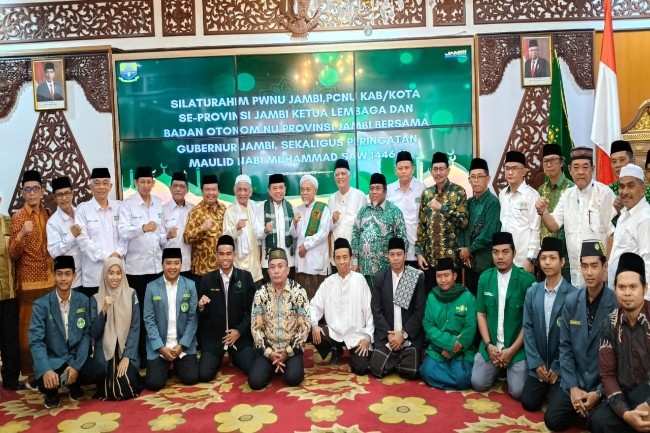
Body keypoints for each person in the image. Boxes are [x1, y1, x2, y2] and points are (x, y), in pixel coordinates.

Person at [549, 240, 617, 432]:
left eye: (594, 266)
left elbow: (619, 356)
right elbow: (565, 347)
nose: (589, 272)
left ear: (604, 267)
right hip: (576, 379)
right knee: (552, 420)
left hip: (602, 383)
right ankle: (580, 404)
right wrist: (572, 387)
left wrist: (599, 392)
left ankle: (589, 408)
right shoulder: (572, 301)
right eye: (585, 266)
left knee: (598, 424)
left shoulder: (616, 304)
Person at [28, 256, 104, 408]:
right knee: (45, 380)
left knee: (100, 370)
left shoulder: (83, 300)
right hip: (53, 360)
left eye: (68, 274)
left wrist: (76, 365)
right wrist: (46, 369)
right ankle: (51, 393)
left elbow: (86, 335)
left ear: (74, 276)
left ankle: (74, 383)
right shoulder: (41, 305)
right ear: (54, 276)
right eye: (59, 274)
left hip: (74, 357)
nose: (63, 278)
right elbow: (36, 341)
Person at [537, 147, 616, 288]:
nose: (580, 172)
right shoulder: (567, 195)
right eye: (576, 167)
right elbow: (553, 225)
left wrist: (606, 268)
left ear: (592, 169)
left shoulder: (604, 193)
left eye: (585, 167)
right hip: (576, 274)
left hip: (600, 274)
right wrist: (543, 212)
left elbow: (612, 234)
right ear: (570, 169)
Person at [588, 252, 650, 433]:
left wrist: (648, 404)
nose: (627, 293)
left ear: (645, 288)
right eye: (622, 287)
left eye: (633, 287)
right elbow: (607, 375)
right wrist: (626, 414)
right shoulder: (610, 323)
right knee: (597, 421)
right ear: (614, 288)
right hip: (627, 395)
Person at [471, 232, 536, 400]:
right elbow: (481, 314)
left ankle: (507, 368)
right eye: (496, 252)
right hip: (491, 347)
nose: (500, 257)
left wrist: (512, 351)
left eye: (505, 252)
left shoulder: (527, 281)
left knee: (518, 391)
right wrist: (488, 345)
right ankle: (499, 368)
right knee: (478, 383)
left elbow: (529, 323)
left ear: (514, 253)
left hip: (516, 349)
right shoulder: (485, 278)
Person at [521, 237, 577, 412]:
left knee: (555, 407)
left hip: (560, 366)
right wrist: (536, 362)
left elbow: (574, 337)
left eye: (552, 258)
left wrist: (557, 366)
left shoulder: (574, 295)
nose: (547, 262)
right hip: (538, 364)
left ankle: (555, 383)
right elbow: (527, 328)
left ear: (562, 261)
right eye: (543, 258)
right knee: (528, 403)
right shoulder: (532, 292)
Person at [9, 169, 54, 381]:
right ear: (23, 193)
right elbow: (12, 254)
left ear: (42, 191)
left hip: (50, 281)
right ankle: (30, 375)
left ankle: (50, 370)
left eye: (36, 188)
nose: (32, 193)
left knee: (50, 329)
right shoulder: (18, 217)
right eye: (28, 189)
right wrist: (21, 234)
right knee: (29, 333)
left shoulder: (47, 214)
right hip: (28, 284)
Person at [119, 166, 166, 364]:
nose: (146, 185)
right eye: (142, 182)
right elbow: (122, 232)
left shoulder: (158, 203)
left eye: (149, 182)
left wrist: (167, 236)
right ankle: (140, 356)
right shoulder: (127, 205)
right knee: (138, 315)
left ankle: (157, 353)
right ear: (136, 182)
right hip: (137, 271)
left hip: (157, 268)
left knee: (157, 313)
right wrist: (142, 228)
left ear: (153, 183)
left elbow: (160, 232)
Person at [249, 248, 311, 390]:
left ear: (287, 270)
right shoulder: (261, 293)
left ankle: (282, 366)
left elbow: (305, 326)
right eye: (272, 267)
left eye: (280, 266)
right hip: (268, 349)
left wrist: (288, 351)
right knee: (255, 382)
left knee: (293, 378)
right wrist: (270, 353)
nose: (276, 271)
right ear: (268, 271)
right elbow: (255, 328)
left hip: (291, 349)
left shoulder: (298, 291)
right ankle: (273, 365)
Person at [310, 238, 373, 374]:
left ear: (351, 258)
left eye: (345, 257)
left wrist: (367, 337)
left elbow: (369, 311)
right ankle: (336, 349)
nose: (342, 261)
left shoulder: (360, 280)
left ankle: (352, 351)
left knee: (361, 368)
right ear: (334, 260)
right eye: (338, 258)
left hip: (356, 334)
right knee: (312, 330)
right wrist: (314, 325)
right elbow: (313, 306)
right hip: (334, 333)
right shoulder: (328, 282)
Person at [197, 235, 256, 382]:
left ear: (234, 255)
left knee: (252, 369)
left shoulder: (245, 277)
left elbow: (253, 311)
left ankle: (235, 356)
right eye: (221, 254)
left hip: (239, 338)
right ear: (216, 255)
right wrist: (201, 308)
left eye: (228, 254)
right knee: (204, 375)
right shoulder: (207, 280)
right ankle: (218, 357)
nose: (225, 258)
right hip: (214, 339)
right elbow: (202, 317)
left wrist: (239, 331)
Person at [369, 237, 426, 380]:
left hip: (408, 335)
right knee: (376, 369)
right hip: (387, 335)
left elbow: (419, 311)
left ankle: (395, 359)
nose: (395, 258)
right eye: (392, 254)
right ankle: (398, 358)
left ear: (405, 256)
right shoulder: (380, 277)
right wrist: (389, 335)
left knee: (412, 372)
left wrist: (403, 335)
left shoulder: (414, 276)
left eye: (399, 254)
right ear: (387, 256)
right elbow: (376, 309)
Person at [142, 248, 199, 390]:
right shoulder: (151, 287)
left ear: (181, 264)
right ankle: (165, 365)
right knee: (154, 384)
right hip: (160, 345)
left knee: (191, 378)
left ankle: (178, 365)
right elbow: (149, 320)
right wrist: (161, 347)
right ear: (162, 264)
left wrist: (182, 345)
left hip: (182, 345)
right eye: (168, 263)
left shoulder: (190, 286)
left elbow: (193, 319)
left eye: (176, 263)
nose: (172, 267)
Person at [90, 257, 143, 400]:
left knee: (124, 386)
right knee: (110, 388)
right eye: (111, 273)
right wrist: (104, 309)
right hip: (105, 353)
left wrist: (127, 356)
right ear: (105, 274)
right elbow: (94, 332)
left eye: (119, 273)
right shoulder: (95, 299)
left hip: (125, 349)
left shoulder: (131, 294)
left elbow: (135, 327)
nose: (115, 277)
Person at [420, 257, 477, 390]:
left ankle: (445, 380)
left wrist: (453, 350)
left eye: (446, 275)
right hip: (437, 349)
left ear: (454, 276)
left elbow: (471, 327)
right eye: (439, 276)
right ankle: (452, 381)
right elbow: (428, 326)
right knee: (426, 372)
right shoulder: (432, 297)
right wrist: (449, 343)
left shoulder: (467, 297)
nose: (443, 280)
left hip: (461, 350)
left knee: (462, 378)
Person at [415, 152, 469, 290]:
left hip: (452, 261)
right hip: (430, 261)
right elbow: (422, 225)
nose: (438, 173)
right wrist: (419, 252)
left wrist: (443, 208)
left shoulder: (459, 192)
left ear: (448, 170)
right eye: (435, 169)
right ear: (431, 171)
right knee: (432, 298)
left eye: (441, 169)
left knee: (452, 299)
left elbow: (463, 222)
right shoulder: (427, 194)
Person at [76, 167, 125, 297]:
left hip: (118, 274)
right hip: (94, 276)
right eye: (97, 183)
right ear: (91, 187)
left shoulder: (120, 207)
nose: (101, 187)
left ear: (110, 186)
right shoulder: (83, 210)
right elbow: (83, 242)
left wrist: (118, 253)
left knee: (120, 309)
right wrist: (108, 257)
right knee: (97, 309)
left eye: (105, 183)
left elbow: (125, 236)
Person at [351, 173, 408, 287]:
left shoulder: (394, 212)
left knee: (385, 298)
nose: (374, 192)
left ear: (385, 192)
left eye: (378, 188)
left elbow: (403, 240)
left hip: (385, 270)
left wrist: (397, 264)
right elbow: (355, 235)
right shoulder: (363, 211)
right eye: (371, 188)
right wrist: (355, 261)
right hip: (364, 269)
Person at [459, 157, 501, 296]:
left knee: (486, 302)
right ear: (469, 180)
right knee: (471, 302)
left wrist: (469, 249)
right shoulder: (470, 202)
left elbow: (489, 234)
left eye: (480, 176)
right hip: (470, 264)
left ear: (488, 179)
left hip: (485, 265)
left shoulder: (492, 203)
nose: (476, 180)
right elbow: (463, 228)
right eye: (473, 177)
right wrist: (463, 251)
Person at [607, 164, 650, 295]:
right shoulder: (625, 214)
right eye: (621, 186)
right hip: (620, 294)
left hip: (635, 297)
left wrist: (645, 302)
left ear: (642, 189)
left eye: (631, 186)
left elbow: (648, 263)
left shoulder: (645, 218)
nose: (624, 192)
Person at [499, 150, 541, 273]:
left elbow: (535, 229)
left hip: (523, 260)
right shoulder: (502, 194)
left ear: (524, 171)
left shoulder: (531, 195)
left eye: (514, 168)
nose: (510, 172)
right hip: (505, 260)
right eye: (507, 168)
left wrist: (530, 259)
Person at [537, 144, 573, 281]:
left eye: (553, 160)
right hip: (544, 257)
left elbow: (570, 224)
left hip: (564, 258)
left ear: (562, 162)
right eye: (546, 161)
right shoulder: (541, 190)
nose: (549, 165)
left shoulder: (571, 189)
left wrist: (559, 250)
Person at [183, 174, 226, 286]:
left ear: (218, 191)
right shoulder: (196, 212)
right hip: (202, 271)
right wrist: (201, 228)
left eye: (214, 189)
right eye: (207, 189)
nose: (211, 193)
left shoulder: (224, 209)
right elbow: (187, 237)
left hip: (222, 270)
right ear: (202, 191)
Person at [293, 174, 331, 299]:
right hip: (301, 263)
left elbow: (323, 233)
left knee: (318, 300)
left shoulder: (323, 209)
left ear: (315, 191)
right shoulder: (297, 209)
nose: (304, 193)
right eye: (302, 189)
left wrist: (306, 245)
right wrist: (294, 222)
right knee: (302, 300)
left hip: (316, 262)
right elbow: (293, 234)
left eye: (308, 189)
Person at [222, 174, 264, 287]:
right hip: (239, 265)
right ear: (235, 192)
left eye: (245, 190)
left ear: (250, 192)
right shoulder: (230, 211)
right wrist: (236, 228)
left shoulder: (255, 208)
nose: (242, 193)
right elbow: (225, 238)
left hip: (256, 266)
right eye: (239, 189)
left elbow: (260, 233)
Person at [387, 151, 426, 268]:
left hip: (416, 252)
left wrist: (421, 250)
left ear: (413, 169)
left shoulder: (422, 189)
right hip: (395, 253)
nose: (403, 171)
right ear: (395, 170)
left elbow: (426, 221)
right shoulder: (389, 191)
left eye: (406, 168)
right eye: (400, 168)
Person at [328, 159, 367, 274]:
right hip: (337, 258)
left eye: (343, 173)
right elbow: (328, 229)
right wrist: (332, 220)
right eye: (337, 174)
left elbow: (364, 230)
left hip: (354, 259)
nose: (340, 177)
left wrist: (356, 260)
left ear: (349, 176)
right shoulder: (331, 199)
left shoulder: (360, 196)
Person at [259, 174, 298, 282]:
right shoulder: (262, 208)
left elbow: (295, 235)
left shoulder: (292, 208)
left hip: (288, 262)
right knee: (269, 291)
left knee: (288, 291)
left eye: (281, 188)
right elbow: (257, 234)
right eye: (275, 188)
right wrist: (265, 230)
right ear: (269, 190)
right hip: (268, 262)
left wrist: (295, 223)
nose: (278, 191)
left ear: (285, 189)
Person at [46, 176, 83, 291]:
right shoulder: (52, 223)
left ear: (72, 194)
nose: (64, 198)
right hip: (72, 282)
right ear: (54, 197)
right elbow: (54, 252)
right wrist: (71, 236)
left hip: (89, 276)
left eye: (67, 193)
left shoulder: (82, 213)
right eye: (60, 195)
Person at [0, 192, 20, 390]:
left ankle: (11, 379)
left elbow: (15, 251)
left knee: (10, 339)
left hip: (9, 292)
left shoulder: (9, 223)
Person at [162, 171, 195, 279]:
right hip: (169, 266)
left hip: (188, 265)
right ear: (170, 188)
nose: (178, 189)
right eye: (175, 186)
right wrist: (166, 235)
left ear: (187, 190)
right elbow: (156, 238)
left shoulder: (193, 209)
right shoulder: (162, 210)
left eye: (182, 186)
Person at [608, 140, 650, 209]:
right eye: (614, 161)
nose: (617, 165)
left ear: (632, 161)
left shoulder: (647, 191)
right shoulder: (608, 191)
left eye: (622, 160)